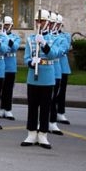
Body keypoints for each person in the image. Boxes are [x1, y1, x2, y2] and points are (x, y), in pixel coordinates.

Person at [21, 9, 60, 149]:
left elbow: (54, 55)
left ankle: (43, 134)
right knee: (32, 106)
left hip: (47, 76)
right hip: (33, 77)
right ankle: (31, 133)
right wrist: (31, 63)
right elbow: (26, 58)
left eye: (42, 21)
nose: (39, 23)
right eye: (37, 21)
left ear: (48, 23)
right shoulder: (31, 39)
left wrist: (44, 44)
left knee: (45, 107)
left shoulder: (54, 38)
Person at [0, 16, 21, 120]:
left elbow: (15, 47)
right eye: (4, 25)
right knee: (0, 88)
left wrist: (7, 38)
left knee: (8, 89)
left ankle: (8, 109)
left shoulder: (15, 37)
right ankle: (0, 108)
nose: (6, 27)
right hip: (0, 65)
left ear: (11, 25)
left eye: (7, 25)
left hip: (10, 66)